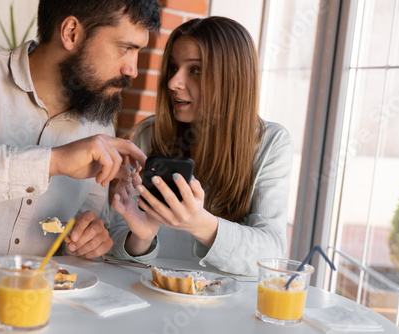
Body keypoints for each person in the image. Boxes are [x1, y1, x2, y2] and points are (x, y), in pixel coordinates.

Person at [0, 0, 160, 281]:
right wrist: (53, 161)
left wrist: (91, 240)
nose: (132, 69)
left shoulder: (99, 127)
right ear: (71, 32)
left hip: (38, 314)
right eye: (125, 48)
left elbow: (86, 231)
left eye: (138, 51)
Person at [109, 16, 294, 276]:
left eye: (195, 70)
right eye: (173, 68)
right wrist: (141, 237)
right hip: (148, 296)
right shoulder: (148, 134)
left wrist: (200, 223)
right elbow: (115, 244)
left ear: (232, 79)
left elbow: (270, 256)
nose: (174, 82)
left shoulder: (271, 143)